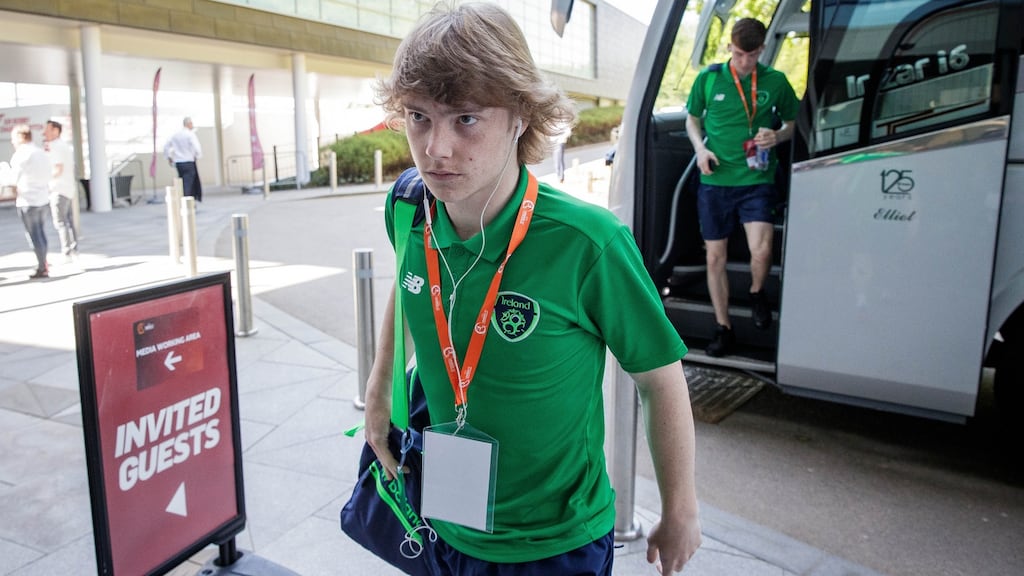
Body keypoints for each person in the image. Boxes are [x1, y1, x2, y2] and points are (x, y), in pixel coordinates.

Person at [362, 4, 701, 574]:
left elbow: (660, 381)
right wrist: (379, 391)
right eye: (419, 117)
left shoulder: (587, 242)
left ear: (520, 116)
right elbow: (408, 281)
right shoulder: (410, 210)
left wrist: (681, 508)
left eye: (465, 119)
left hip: (557, 544)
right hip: (441, 521)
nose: (435, 149)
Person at [684, 18, 799, 357]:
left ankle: (756, 290)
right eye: (738, 54)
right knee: (715, 257)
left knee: (761, 251)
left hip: (756, 179)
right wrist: (700, 149)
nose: (744, 62)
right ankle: (724, 328)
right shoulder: (709, 78)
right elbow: (692, 119)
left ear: (761, 50)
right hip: (715, 181)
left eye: (751, 55)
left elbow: (793, 122)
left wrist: (777, 135)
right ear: (729, 47)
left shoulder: (776, 81)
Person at [6, 124, 52, 279]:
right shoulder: (41, 152)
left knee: (34, 235)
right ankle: (43, 263)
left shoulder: (21, 155)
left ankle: (42, 266)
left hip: (28, 200)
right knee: (41, 232)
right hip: (43, 199)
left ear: (20, 137)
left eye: (13, 138)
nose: (12, 142)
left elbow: (13, 179)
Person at [43, 120, 78, 262]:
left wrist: (44, 179)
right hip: (67, 188)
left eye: (47, 130)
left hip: (58, 188)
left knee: (61, 222)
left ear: (56, 131)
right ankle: (73, 249)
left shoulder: (55, 147)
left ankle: (67, 252)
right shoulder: (63, 146)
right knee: (68, 221)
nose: (44, 133)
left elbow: (58, 168)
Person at [164, 116, 203, 201]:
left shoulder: (175, 135)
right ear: (188, 124)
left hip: (179, 162)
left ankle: (184, 199)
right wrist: (197, 156)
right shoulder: (190, 134)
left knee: (181, 182)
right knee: (189, 183)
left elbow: (166, 146)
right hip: (188, 161)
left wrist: (169, 157)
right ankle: (186, 201)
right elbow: (197, 147)